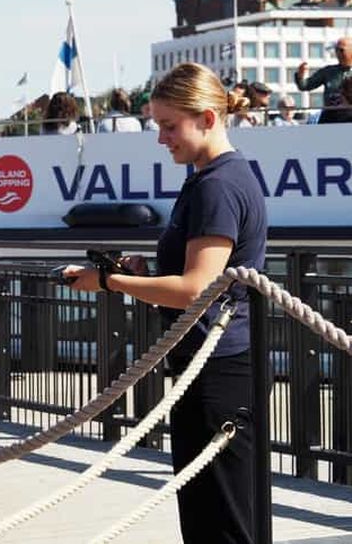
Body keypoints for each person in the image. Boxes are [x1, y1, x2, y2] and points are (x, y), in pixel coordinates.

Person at [63, 62, 266, 544]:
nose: (161, 138)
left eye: (169, 126)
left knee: (220, 522)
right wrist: (142, 273)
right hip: (207, 365)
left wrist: (109, 282)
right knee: (208, 516)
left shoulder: (217, 185)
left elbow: (196, 287)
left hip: (215, 372)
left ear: (208, 118)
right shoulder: (212, 179)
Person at [295, 36, 352, 122]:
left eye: (341, 50)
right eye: (336, 50)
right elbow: (305, 85)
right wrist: (300, 76)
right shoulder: (328, 72)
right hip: (330, 115)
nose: (338, 54)